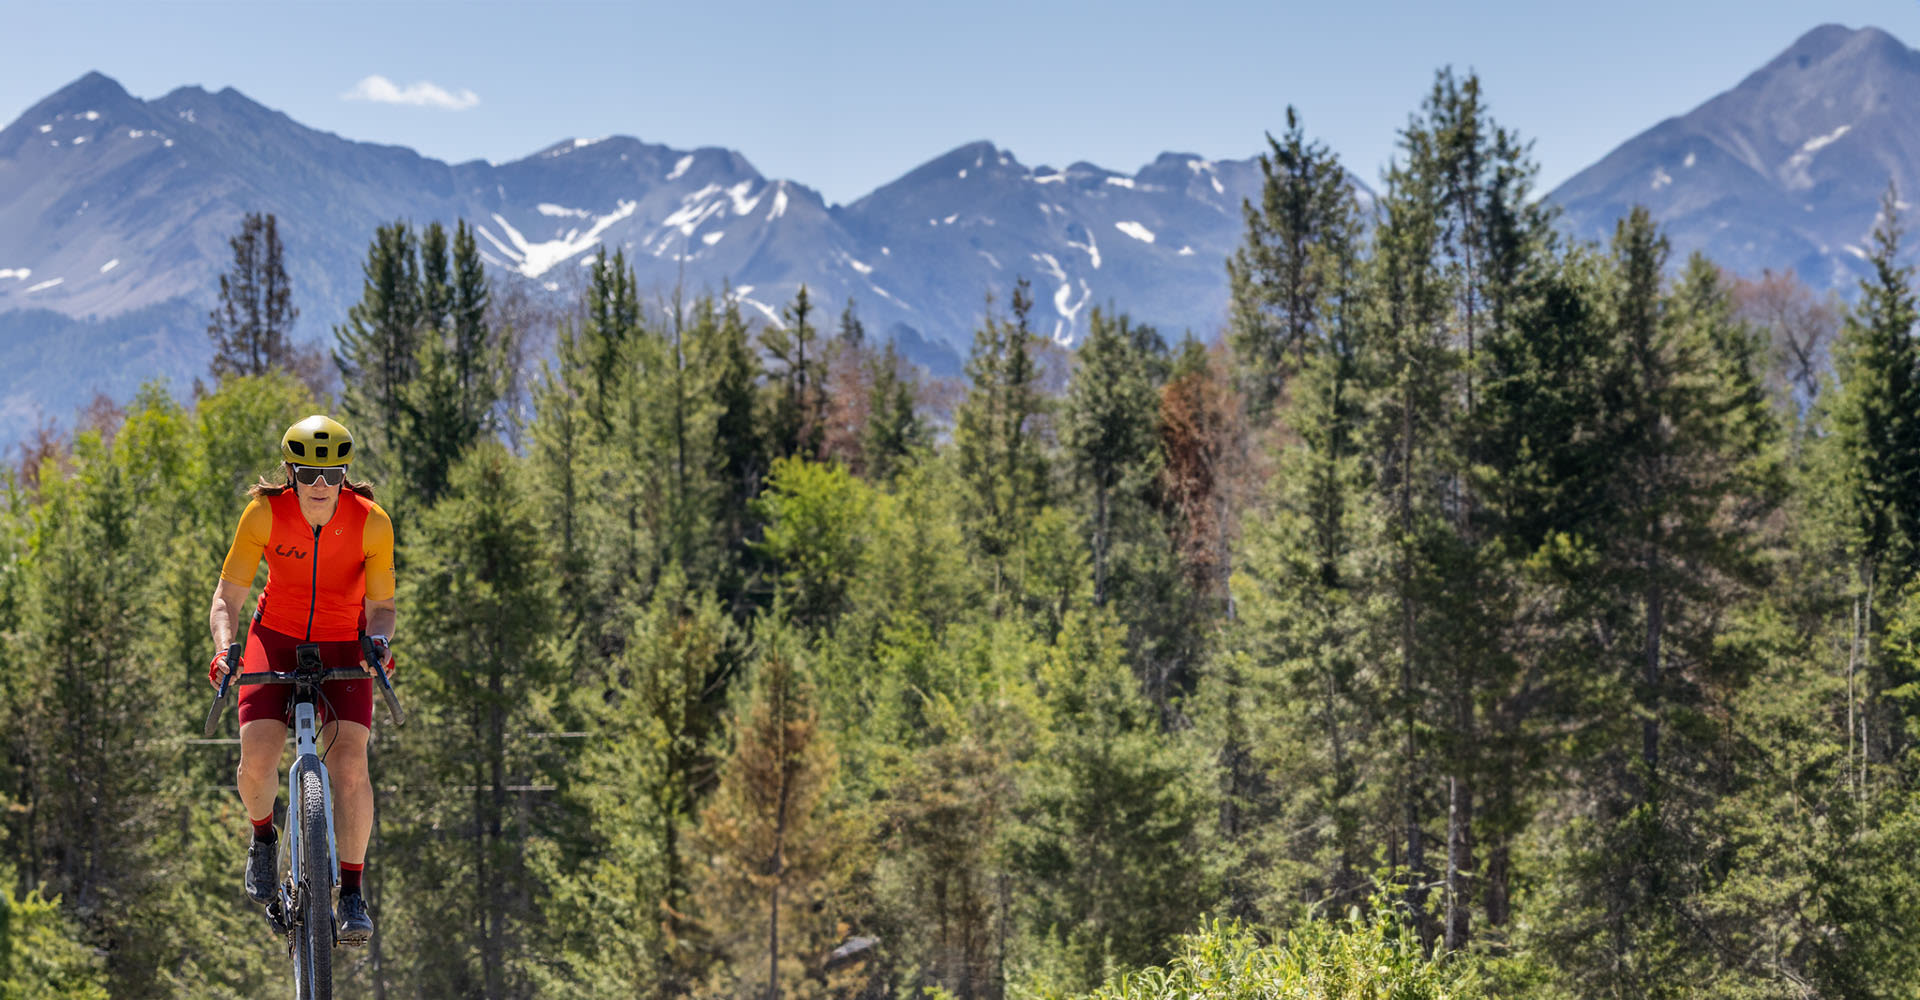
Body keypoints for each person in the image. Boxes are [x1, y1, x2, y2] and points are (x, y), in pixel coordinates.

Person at [207, 415, 395, 947]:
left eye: (332, 474)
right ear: (290, 472)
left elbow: (382, 608)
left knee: (352, 763)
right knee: (257, 758)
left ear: (344, 475)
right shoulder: (264, 514)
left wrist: (379, 645)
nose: (320, 485)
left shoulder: (371, 523)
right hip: (277, 633)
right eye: (308, 473)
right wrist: (225, 648)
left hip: (343, 640)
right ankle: (263, 837)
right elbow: (227, 598)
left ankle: (353, 892)